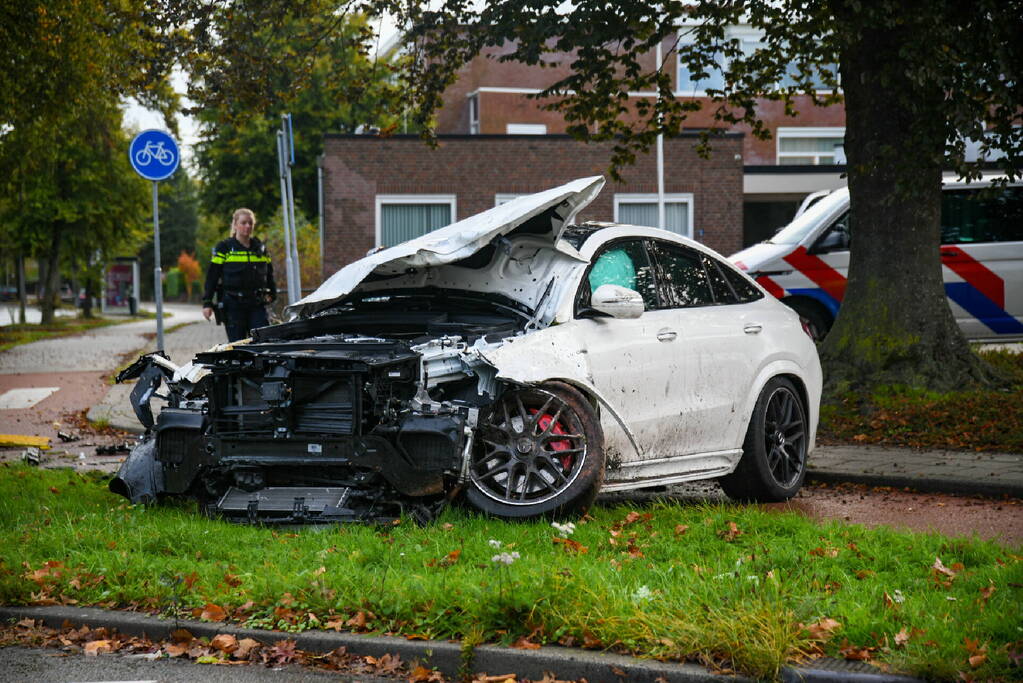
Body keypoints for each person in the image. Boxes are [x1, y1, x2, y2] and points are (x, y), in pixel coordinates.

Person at [202, 208, 276, 342]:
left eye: (250, 223)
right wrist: (207, 303)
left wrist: (273, 293)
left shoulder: (260, 249)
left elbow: (269, 274)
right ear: (235, 225)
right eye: (243, 223)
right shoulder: (224, 248)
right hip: (233, 305)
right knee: (238, 346)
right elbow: (212, 276)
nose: (247, 226)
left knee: (263, 342)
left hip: (256, 303)